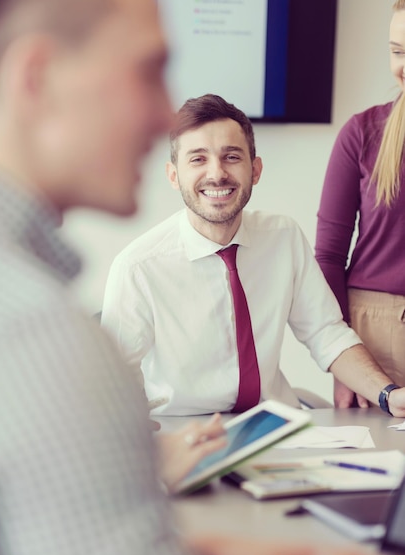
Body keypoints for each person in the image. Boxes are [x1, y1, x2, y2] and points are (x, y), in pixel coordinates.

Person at [0, 0, 403, 555]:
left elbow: (33, 546)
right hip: (191, 446)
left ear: (255, 170)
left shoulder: (24, 298)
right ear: (37, 76)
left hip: (272, 445)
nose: (162, 117)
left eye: (231, 155)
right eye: (149, 69)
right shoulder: (42, 332)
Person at [102, 93, 405, 419]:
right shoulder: (138, 268)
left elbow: (327, 333)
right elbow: (112, 387)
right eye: (198, 159)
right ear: (173, 175)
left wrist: (387, 395)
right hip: (185, 434)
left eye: (231, 156)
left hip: (273, 428)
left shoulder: (283, 238)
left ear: (255, 170)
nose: (217, 173)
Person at [315, 0, 405, 409]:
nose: (402, 67)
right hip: (376, 334)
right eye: (397, 51)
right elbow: (329, 254)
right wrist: (345, 365)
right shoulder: (362, 133)